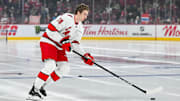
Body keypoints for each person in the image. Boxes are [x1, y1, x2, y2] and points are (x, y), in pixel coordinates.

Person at [26, 3, 94, 101]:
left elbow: (75, 44)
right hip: (48, 41)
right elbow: (50, 29)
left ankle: (41, 86)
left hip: (59, 46)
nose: (85, 17)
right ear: (78, 12)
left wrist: (84, 55)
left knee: (64, 68)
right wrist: (63, 41)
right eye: (84, 14)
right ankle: (33, 91)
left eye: (87, 15)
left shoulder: (80, 28)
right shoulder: (66, 18)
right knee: (50, 66)